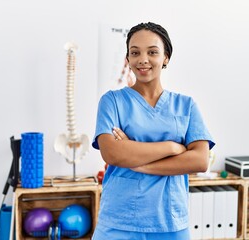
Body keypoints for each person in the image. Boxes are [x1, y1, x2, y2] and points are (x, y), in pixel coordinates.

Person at [92, 22, 215, 240]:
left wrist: (135, 158)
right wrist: (172, 147)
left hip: (169, 222)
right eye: (135, 52)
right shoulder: (112, 101)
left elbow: (199, 160)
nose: (143, 59)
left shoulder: (186, 105)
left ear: (165, 57)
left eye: (152, 52)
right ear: (128, 59)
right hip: (119, 220)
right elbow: (112, 154)